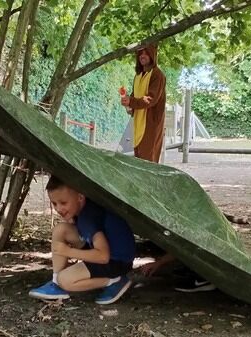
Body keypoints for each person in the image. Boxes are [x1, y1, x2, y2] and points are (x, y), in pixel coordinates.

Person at [28, 176, 136, 305]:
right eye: (54, 203)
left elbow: (103, 256)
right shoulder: (84, 208)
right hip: (108, 250)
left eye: (63, 203)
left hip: (116, 262)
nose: (58, 209)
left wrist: (68, 251)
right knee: (60, 229)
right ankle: (56, 283)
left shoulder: (88, 219)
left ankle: (114, 281)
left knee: (66, 281)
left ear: (80, 197)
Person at [121, 44, 166, 163]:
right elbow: (134, 97)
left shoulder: (157, 75)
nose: (143, 56)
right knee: (139, 158)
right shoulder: (138, 76)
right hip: (138, 123)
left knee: (148, 160)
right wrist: (128, 103)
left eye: (146, 53)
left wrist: (132, 101)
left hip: (151, 124)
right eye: (140, 53)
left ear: (152, 55)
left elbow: (151, 99)